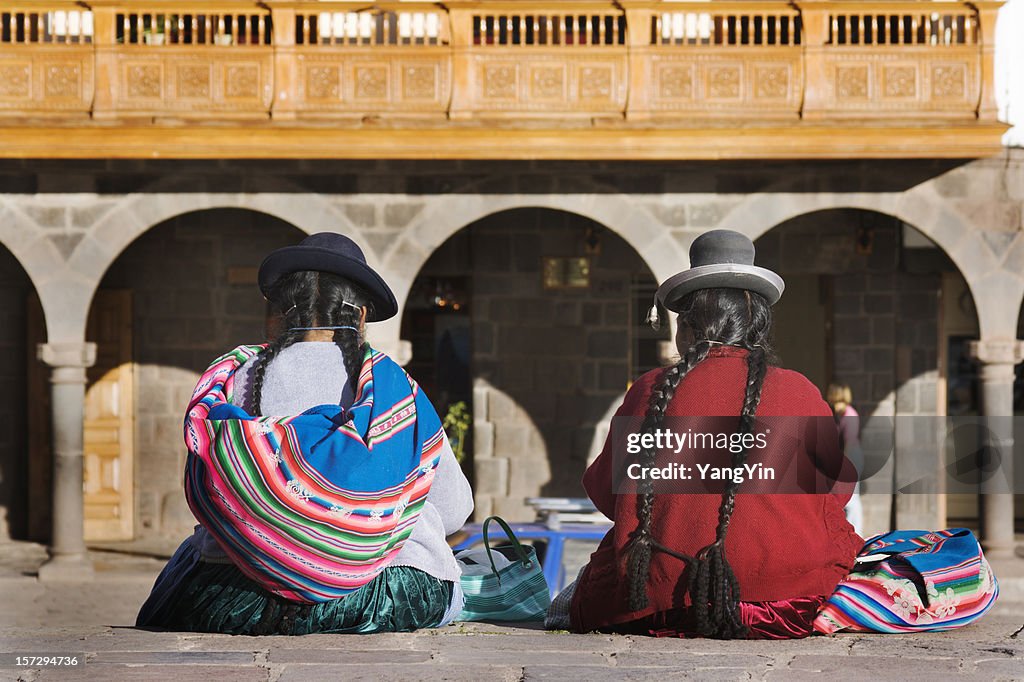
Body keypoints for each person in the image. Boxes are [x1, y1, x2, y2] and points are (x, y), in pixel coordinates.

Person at [137, 232, 474, 635]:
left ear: (280, 313)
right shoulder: (393, 389)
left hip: (232, 595)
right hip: (382, 595)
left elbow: (207, 487)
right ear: (361, 315)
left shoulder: (234, 377)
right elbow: (455, 510)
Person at [551, 229, 863, 639]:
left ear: (685, 328)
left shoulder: (649, 390)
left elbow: (609, 497)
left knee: (570, 598)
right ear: (759, 326)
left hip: (656, 603)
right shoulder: (801, 391)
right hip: (789, 601)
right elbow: (836, 495)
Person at [826, 382, 864, 536]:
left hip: (851, 459)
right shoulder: (837, 416)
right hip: (842, 458)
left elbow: (850, 443)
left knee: (852, 499)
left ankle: (857, 534)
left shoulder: (850, 415)